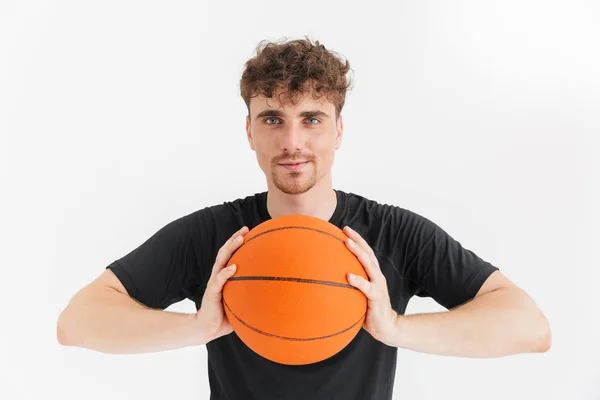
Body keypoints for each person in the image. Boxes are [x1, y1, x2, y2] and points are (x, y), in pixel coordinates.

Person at [57, 37, 551, 400]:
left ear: (339, 130)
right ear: (249, 132)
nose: (292, 142)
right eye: (272, 118)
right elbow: (77, 322)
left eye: (311, 118)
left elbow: (530, 327)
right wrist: (200, 326)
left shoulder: (393, 234)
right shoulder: (214, 235)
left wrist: (395, 327)